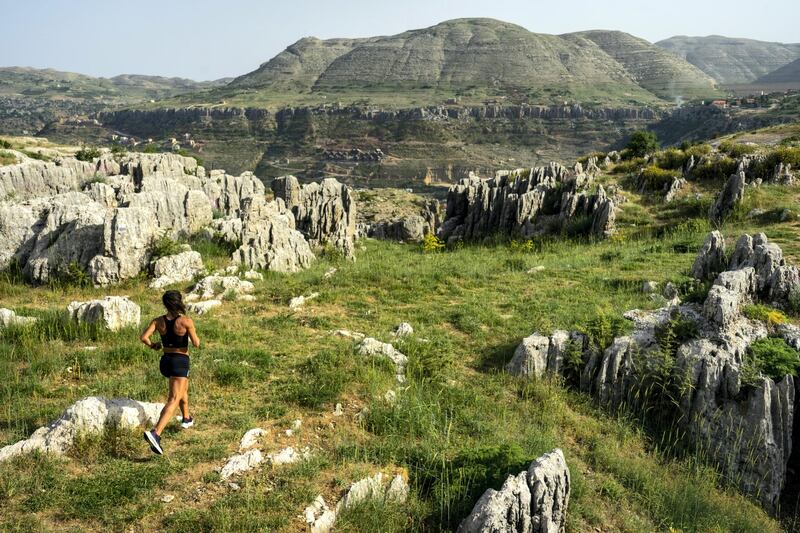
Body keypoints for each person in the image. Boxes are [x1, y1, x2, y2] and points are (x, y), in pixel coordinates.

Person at [139, 290, 200, 455]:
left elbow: (144, 337)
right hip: (180, 361)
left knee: (182, 391)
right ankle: (156, 433)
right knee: (173, 398)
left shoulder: (158, 321)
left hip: (165, 361)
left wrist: (154, 345)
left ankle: (186, 418)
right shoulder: (186, 321)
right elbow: (196, 343)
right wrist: (189, 333)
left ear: (166, 304)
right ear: (178, 302)